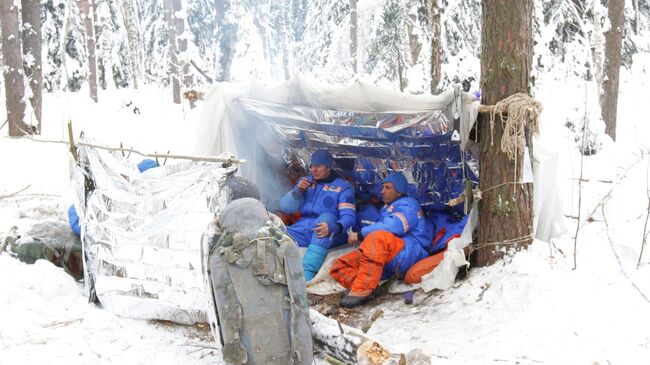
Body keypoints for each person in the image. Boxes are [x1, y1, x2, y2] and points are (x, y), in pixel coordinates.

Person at [330, 172, 432, 307]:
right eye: (383, 187)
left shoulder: (409, 205)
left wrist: (361, 235)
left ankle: (362, 289)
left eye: (388, 188)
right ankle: (367, 286)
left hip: (409, 251)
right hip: (387, 255)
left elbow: (393, 226)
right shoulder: (387, 207)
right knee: (339, 266)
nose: (382, 191)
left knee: (377, 237)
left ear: (399, 191)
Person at [280, 150, 356, 281]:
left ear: (328, 167)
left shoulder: (342, 186)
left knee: (326, 217)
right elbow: (285, 207)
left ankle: (305, 276)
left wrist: (335, 227)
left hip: (331, 230)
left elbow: (349, 217)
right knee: (278, 231)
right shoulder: (306, 182)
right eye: (312, 166)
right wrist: (297, 192)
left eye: (319, 166)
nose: (314, 170)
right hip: (304, 228)